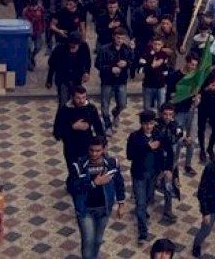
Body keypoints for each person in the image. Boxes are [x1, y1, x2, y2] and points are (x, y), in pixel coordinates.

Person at [69, 136, 125, 259]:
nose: (94, 154)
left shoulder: (112, 163)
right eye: (91, 150)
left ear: (104, 149)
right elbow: (73, 188)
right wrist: (94, 183)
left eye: (98, 150)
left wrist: (121, 204)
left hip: (104, 209)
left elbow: (119, 183)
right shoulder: (78, 165)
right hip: (85, 210)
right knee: (88, 241)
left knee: (98, 240)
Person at [126, 110, 173, 245]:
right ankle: (143, 231)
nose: (148, 126)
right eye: (145, 124)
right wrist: (147, 147)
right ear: (141, 124)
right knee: (140, 203)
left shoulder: (160, 135)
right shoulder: (135, 137)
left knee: (148, 198)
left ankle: (142, 212)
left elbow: (169, 152)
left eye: (151, 123)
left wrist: (168, 169)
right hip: (139, 175)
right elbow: (130, 155)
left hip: (153, 174)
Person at [53, 86, 105, 178]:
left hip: (87, 146)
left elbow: (98, 127)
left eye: (84, 97)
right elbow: (57, 132)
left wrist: (103, 144)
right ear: (72, 97)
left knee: (88, 172)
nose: (81, 101)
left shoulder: (90, 108)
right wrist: (72, 127)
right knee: (74, 172)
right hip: (71, 147)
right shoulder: (65, 110)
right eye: (78, 98)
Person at [95, 27, 134, 133]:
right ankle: (107, 125)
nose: (120, 40)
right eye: (118, 38)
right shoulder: (104, 49)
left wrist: (126, 63)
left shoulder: (127, 49)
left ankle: (115, 113)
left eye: (122, 38)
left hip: (121, 80)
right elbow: (98, 64)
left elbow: (132, 61)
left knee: (122, 104)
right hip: (107, 80)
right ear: (113, 37)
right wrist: (110, 69)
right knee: (105, 104)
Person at [46, 31, 91, 105]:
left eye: (76, 44)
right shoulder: (60, 49)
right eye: (72, 44)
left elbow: (87, 61)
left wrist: (87, 72)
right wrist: (49, 80)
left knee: (78, 101)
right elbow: (52, 65)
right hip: (63, 79)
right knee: (64, 102)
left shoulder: (83, 47)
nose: (74, 46)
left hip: (77, 78)